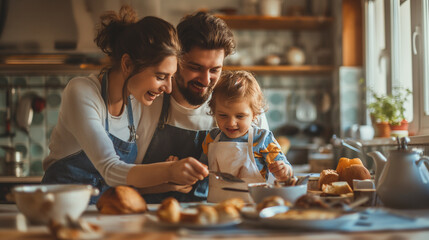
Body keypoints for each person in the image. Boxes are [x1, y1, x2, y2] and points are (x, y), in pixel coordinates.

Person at [41, 5, 208, 204]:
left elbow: (117, 183)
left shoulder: (135, 104)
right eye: (161, 76)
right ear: (127, 64)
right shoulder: (82, 92)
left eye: (171, 77)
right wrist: (168, 170)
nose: (168, 88)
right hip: (61, 211)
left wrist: (169, 182)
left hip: (106, 213)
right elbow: (110, 170)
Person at [136, 12, 269, 203]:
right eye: (195, 67)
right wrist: (164, 178)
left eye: (215, 70)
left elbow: (269, 176)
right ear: (176, 61)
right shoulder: (148, 103)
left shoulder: (241, 107)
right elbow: (118, 179)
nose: (206, 80)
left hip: (222, 218)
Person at [198, 71, 293, 202]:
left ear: (254, 115)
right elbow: (201, 171)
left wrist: (284, 171)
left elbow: (287, 173)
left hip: (252, 206)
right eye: (223, 115)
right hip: (217, 206)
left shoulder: (262, 139)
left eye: (240, 116)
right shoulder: (211, 139)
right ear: (214, 112)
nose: (231, 123)